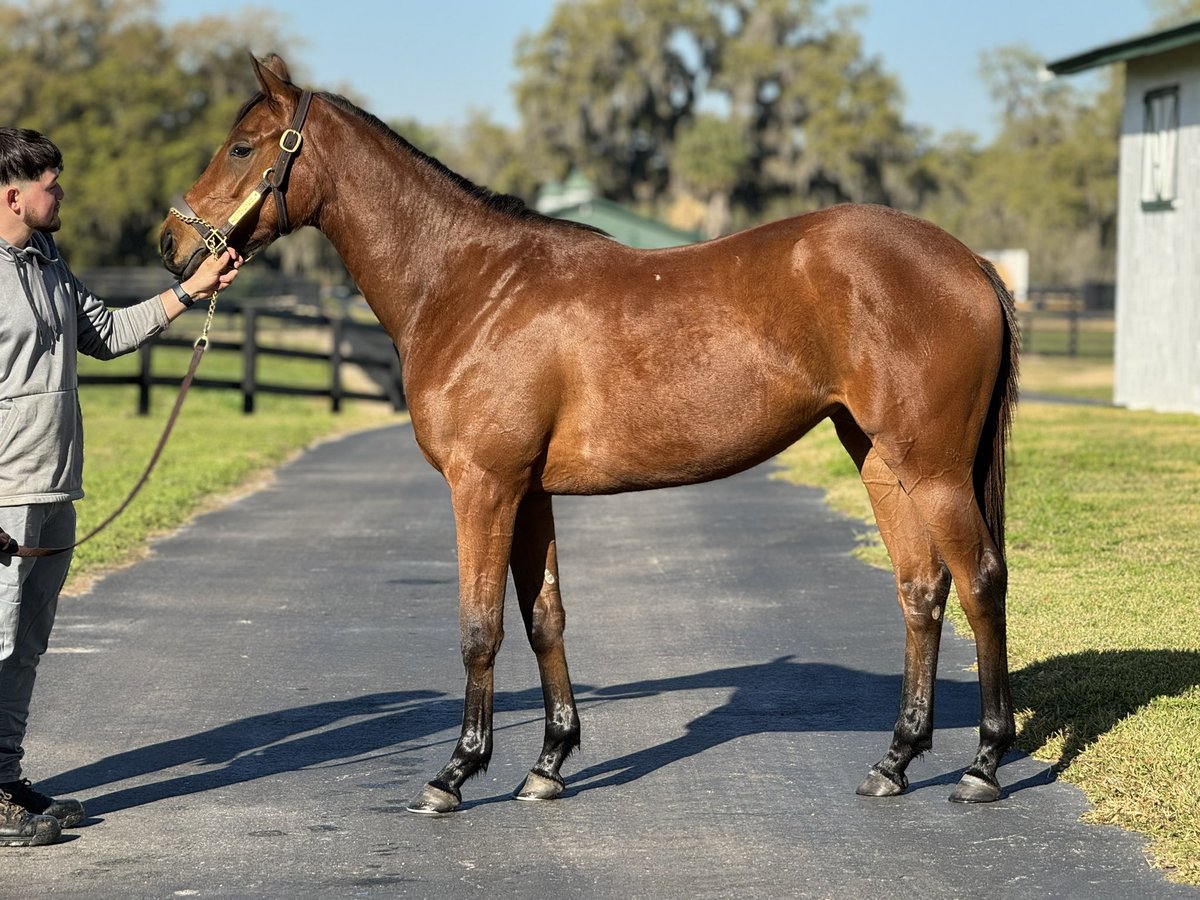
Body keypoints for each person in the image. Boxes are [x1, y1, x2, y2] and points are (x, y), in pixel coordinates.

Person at [0, 126, 242, 846]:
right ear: (13, 193)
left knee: (27, 646)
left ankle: (7, 780)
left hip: (53, 488)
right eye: (51, 183)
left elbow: (102, 330)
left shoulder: (46, 260)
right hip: (2, 493)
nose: (62, 191)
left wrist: (187, 293)